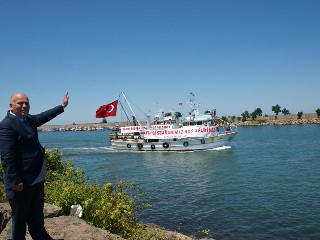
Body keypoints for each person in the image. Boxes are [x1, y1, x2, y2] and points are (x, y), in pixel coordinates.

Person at [0, 92, 69, 240]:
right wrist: (14, 181)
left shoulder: (28, 119)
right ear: (11, 106)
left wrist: (61, 106)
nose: (24, 106)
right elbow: (7, 156)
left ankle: (39, 235)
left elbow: (43, 116)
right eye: (20, 103)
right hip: (20, 182)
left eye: (26, 103)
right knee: (20, 218)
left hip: (35, 178)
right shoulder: (7, 125)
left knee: (36, 214)